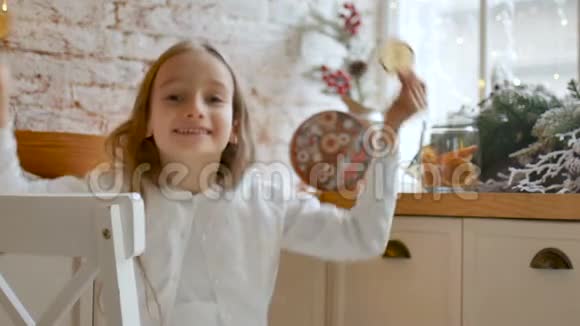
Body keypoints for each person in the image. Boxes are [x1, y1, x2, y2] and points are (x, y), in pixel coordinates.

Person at [0, 40, 426, 326]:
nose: (195, 109)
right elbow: (10, 202)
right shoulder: (114, 189)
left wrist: (390, 129)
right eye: (174, 97)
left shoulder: (266, 197)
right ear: (147, 121)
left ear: (235, 127)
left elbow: (361, 237)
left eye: (214, 98)